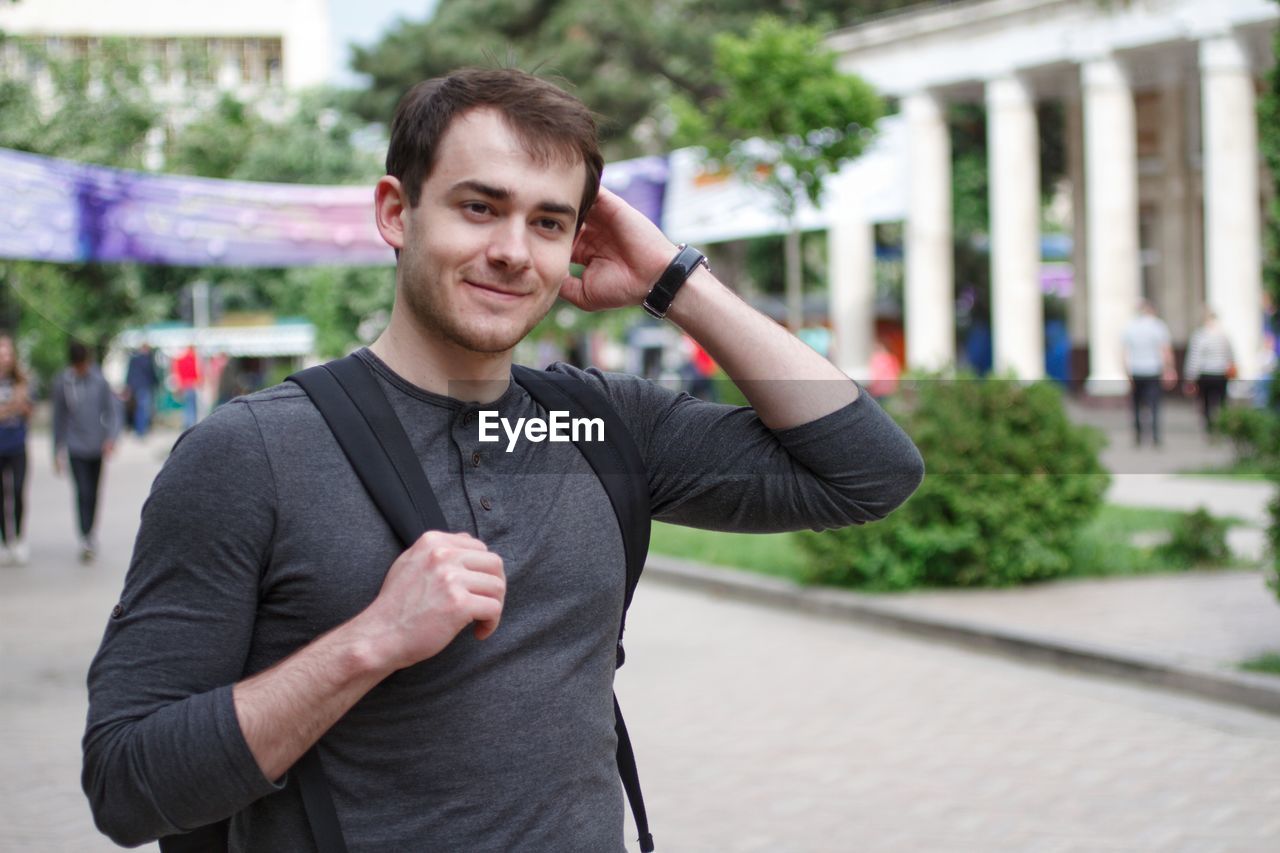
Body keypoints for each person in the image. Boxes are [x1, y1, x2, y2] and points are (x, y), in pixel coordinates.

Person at [82, 68, 924, 851]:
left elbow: (867, 470)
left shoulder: (594, 427)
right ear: (394, 213)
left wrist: (672, 276)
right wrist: (368, 643)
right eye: (480, 207)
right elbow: (126, 782)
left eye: (549, 221)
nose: (516, 251)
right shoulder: (253, 453)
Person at [52, 340, 120, 562]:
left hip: (96, 444)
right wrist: (57, 448)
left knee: (94, 492)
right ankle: (85, 535)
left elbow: (112, 409)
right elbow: (58, 417)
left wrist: (111, 437)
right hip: (75, 446)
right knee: (82, 491)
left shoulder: (99, 380)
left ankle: (91, 531)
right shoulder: (64, 382)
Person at [1122, 300, 1176, 447]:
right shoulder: (1158, 326)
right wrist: (1169, 369)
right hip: (1153, 370)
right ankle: (1156, 436)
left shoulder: (1130, 327)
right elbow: (1165, 350)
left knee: (1136, 404)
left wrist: (1127, 372)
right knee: (1154, 404)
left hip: (1136, 370)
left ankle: (1138, 435)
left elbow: (1125, 352)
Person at [0, 334, 31, 565]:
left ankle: (19, 538)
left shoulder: (21, 380)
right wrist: (13, 407)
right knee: (1, 495)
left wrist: (14, 408)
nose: (5, 358)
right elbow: (15, 407)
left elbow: (26, 407)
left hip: (17, 445)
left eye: (8, 353)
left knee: (18, 490)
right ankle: (4, 540)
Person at [1183, 308, 1235, 436]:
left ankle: (1210, 428)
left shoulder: (1200, 336)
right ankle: (1222, 427)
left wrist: (1190, 376)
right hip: (1221, 373)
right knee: (1222, 402)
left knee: (1206, 403)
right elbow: (1230, 355)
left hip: (1205, 373)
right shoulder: (1223, 335)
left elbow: (1195, 357)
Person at [123, 343, 159, 436]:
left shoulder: (134, 359)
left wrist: (128, 386)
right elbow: (152, 373)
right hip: (144, 387)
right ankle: (142, 430)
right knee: (143, 409)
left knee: (140, 409)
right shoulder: (147, 359)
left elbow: (129, 373)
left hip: (136, 387)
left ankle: (140, 429)